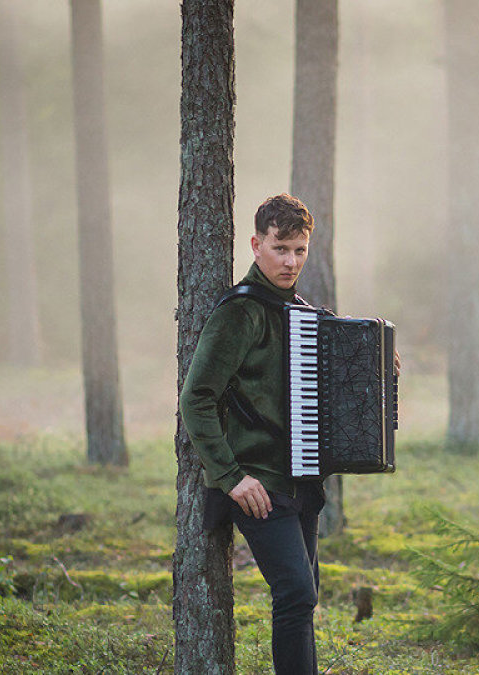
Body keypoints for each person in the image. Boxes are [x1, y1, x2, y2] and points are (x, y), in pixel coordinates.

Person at [180, 193, 324, 675]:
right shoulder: (239, 313)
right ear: (255, 244)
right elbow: (195, 398)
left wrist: (375, 364)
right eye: (281, 248)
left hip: (301, 479)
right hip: (257, 483)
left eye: (300, 250)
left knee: (304, 599)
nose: (291, 261)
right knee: (296, 594)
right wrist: (231, 476)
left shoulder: (300, 312)